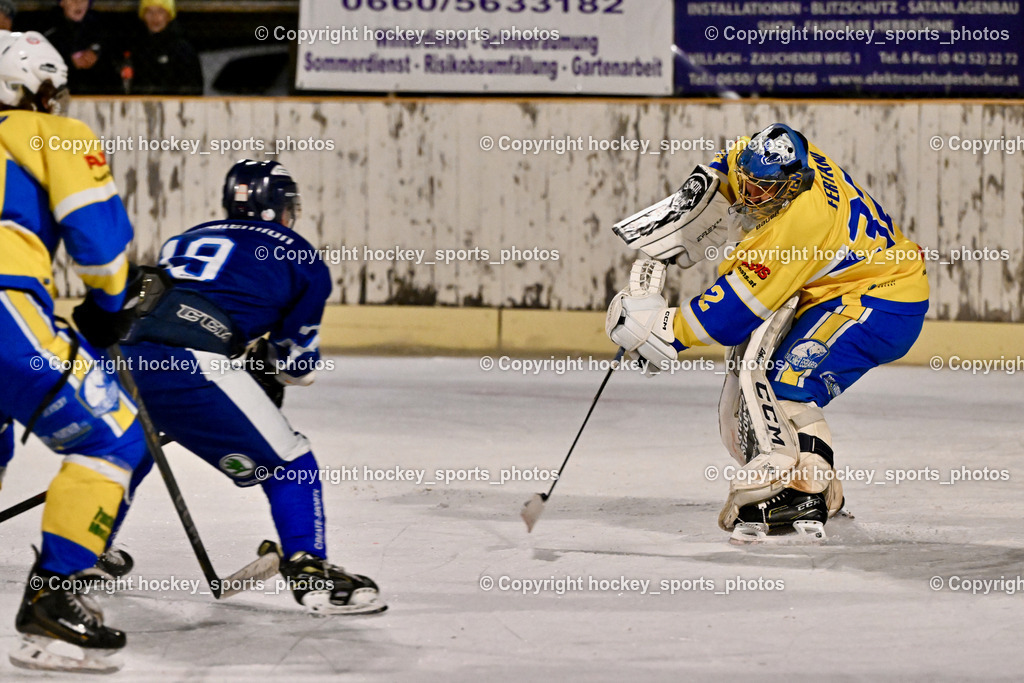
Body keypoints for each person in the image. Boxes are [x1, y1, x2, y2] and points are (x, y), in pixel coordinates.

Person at [607, 123, 930, 540]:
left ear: (793, 187)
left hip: (881, 304)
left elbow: (734, 311)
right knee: (773, 383)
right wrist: (697, 201)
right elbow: (730, 164)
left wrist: (664, 330)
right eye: (748, 184)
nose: (752, 197)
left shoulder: (799, 225)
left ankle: (806, 490)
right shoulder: (785, 152)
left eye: (764, 191)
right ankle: (818, 484)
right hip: (854, 290)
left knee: (785, 385)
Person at [117, 159, 386, 615]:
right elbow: (294, 368)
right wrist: (264, 363)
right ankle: (310, 570)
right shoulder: (301, 256)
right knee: (291, 463)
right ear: (280, 208)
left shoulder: (184, 238)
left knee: (124, 456)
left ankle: (84, 554)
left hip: (121, 359)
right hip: (194, 366)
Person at [0, 30, 150, 672]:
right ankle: (52, 603)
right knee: (114, 438)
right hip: (4, 309)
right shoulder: (49, 134)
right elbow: (102, 249)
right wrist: (108, 307)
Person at [43, 0, 121, 94]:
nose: (78, 3)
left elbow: (113, 51)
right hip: (60, 91)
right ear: (62, 2)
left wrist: (96, 55)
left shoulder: (101, 25)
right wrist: (68, 61)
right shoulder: (48, 26)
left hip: (95, 93)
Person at [128, 0, 202, 95]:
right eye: (149, 12)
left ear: (169, 15)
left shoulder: (183, 49)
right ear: (143, 16)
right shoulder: (136, 48)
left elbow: (193, 88)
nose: (155, 18)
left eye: (160, 12)